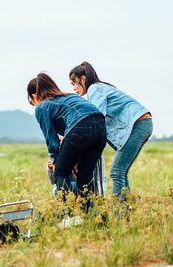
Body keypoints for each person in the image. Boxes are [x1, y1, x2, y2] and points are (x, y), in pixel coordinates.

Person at [69, 62, 153, 199]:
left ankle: (119, 214)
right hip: (141, 123)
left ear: (83, 79)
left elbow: (97, 118)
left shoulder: (94, 89)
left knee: (116, 171)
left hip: (138, 124)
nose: (73, 88)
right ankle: (124, 212)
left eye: (74, 83)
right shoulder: (99, 88)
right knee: (121, 172)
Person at [27, 73, 107, 204]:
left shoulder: (42, 106)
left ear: (35, 96)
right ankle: (88, 217)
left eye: (32, 102)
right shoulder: (70, 97)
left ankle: (69, 214)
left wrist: (54, 161)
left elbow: (51, 140)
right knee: (84, 178)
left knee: (60, 172)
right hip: (101, 129)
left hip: (80, 128)